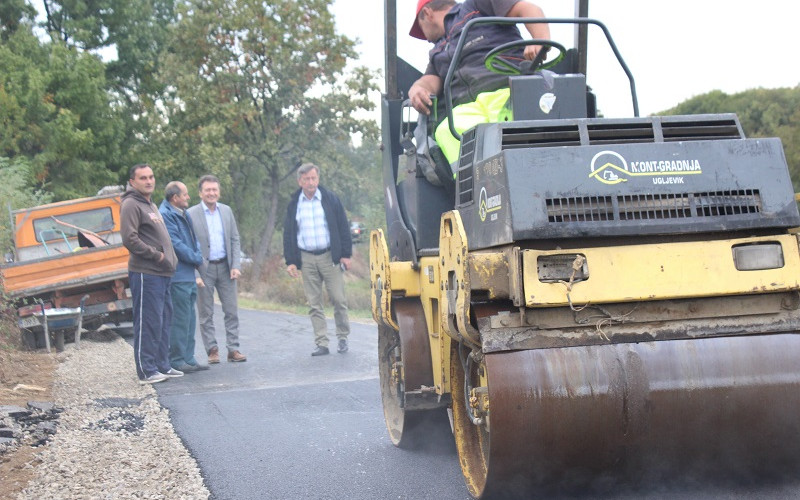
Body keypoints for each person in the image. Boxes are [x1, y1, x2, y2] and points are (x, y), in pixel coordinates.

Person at [408, 0, 550, 164]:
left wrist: (540, 40)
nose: (425, 38)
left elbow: (528, 9)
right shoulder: (437, 53)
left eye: (421, 28)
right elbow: (430, 80)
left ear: (427, 13)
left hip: (507, 93)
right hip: (468, 108)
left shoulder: (476, 7)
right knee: (445, 131)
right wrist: (417, 88)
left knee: (508, 128)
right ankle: (471, 186)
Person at [120, 164, 182, 384]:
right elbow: (129, 238)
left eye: (151, 177)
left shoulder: (150, 204)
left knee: (163, 320)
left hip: (163, 273)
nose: (149, 181)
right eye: (143, 178)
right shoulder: (130, 204)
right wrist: (157, 256)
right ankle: (146, 371)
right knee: (148, 321)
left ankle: (162, 365)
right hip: (147, 272)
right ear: (132, 181)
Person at [283, 163, 353, 357]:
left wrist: (346, 254)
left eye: (313, 178)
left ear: (318, 179)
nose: (310, 182)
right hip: (306, 258)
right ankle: (321, 342)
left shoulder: (330, 199)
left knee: (338, 299)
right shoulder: (294, 203)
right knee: (314, 304)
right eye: (306, 179)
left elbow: (343, 227)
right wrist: (291, 261)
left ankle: (342, 337)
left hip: (330, 256)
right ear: (300, 181)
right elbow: (288, 233)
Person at [187, 175, 247, 363]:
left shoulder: (226, 211)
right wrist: (195, 273)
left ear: (219, 192)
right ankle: (212, 350)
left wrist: (236, 265)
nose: (212, 193)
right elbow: (187, 245)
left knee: (231, 310)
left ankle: (233, 349)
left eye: (214, 190)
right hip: (204, 269)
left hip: (226, 267)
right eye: (208, 190)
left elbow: (235, 239)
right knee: (206, 313)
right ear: (200, 193)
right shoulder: (190, 214)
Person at [159, 181, 209, 373]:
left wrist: (196, 255)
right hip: (177, 275)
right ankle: (177, 359)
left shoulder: (183, 213)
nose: (188, 197)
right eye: (185, 194)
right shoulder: (166, 215)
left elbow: (193, 239)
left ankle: (189, 357)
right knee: (179, 319)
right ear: (175, 198)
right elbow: (175, 244)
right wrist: (197, 258)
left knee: (189, 318)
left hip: (188, 274)